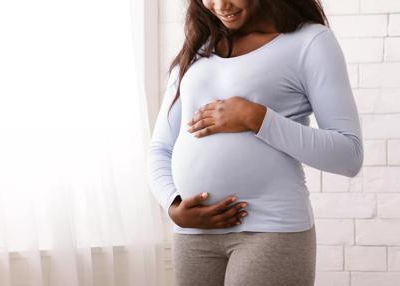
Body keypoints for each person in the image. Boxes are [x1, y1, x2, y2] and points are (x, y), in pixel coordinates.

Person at [146, 0, 364, 285]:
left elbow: (349, 154)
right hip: (194, 236)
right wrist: (173, 205)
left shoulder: (309, 42)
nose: (220, 5)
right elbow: (160, 148)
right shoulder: (197, 50)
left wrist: (257, 117)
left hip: (271, 231)